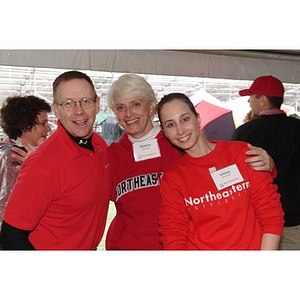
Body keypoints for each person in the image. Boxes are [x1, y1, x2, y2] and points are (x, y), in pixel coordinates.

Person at [105, 73, 277, 250]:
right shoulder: (111, 155)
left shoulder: (180, 142)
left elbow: (222, 165)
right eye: (120, 107)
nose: (128, 114)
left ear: (150, 107)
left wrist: (268, 165)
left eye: (135, 104)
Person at [157, 92, 284, 250]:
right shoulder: (173, 178)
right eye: (170, 125)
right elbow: (173, 234)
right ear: (164, 133)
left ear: (197, 118)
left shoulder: (242, 153)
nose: (180, 130)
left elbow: (271, 215)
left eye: (185, 119)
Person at [0, 70, 111, 250]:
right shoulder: (41, 165)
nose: (79, 111)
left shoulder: (99, 145)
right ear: (56, 110)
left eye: (86, 101)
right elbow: (11, 238)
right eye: (68, 103)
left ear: (97, 104)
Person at [232, 75, 300, 250]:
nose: (248, 101)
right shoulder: (297, 128)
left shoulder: (244, 133)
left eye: (252, 96)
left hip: (260, 223)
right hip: (295, 221)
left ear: (262, 99)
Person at [0, 95, 52, 231]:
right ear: (25, 126)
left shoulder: (17, 152)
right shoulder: (11, 158)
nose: (49, 129)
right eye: (43, 123)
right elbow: (5, 209)